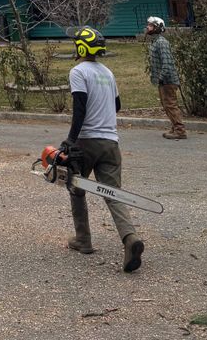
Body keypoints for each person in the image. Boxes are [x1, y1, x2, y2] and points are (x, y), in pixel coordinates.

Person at [62, 26, 145, 274]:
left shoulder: (78, 72)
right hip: (111, 142)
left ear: (81, 47)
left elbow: (80, 109)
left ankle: (83, 239)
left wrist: (70, 140)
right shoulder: (108, 73)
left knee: (75, 186)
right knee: (112, 193)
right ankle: (129, 238)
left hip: (86, 140)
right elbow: (116, 105)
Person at [145, 15, 187, 140]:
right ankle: (175, 127)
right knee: (167, 105)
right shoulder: (155, 42)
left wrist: (161, 78)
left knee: (170, 104)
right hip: (163, 80)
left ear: (158, 28)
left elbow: (167, 63)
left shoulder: (162, 43)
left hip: (167, 80)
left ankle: (180, 131)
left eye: (151, 25)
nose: (148, 27)